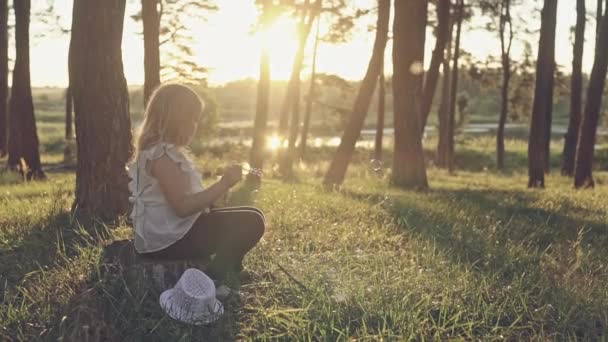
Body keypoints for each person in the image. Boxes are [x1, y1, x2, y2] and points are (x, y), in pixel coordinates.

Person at [128, 83, 265, 280]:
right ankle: (218, 275)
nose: (195, 126)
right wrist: (224, 183)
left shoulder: (167, 153)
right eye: (191, 120)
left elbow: (189, 201)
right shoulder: (161, 155)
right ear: (176, 119)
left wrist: (221, 189)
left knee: (253, 213)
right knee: (252, 222)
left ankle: (230, 268)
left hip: (175, 233)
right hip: (168, 241)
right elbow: (182, 207)